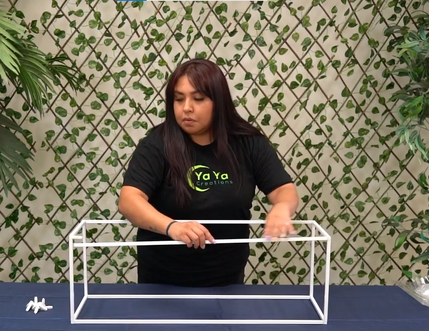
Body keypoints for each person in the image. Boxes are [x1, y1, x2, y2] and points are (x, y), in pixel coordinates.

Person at [118, 58, 299, 287]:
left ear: (219, 102)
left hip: (228, 282)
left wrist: (282, 208)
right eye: (178, 99)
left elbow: (284, 189)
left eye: (198, 99)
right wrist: (173, 226)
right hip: (162, 284)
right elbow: (129, 200)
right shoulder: (156, 145)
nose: (186, 108)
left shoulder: (249, 143)